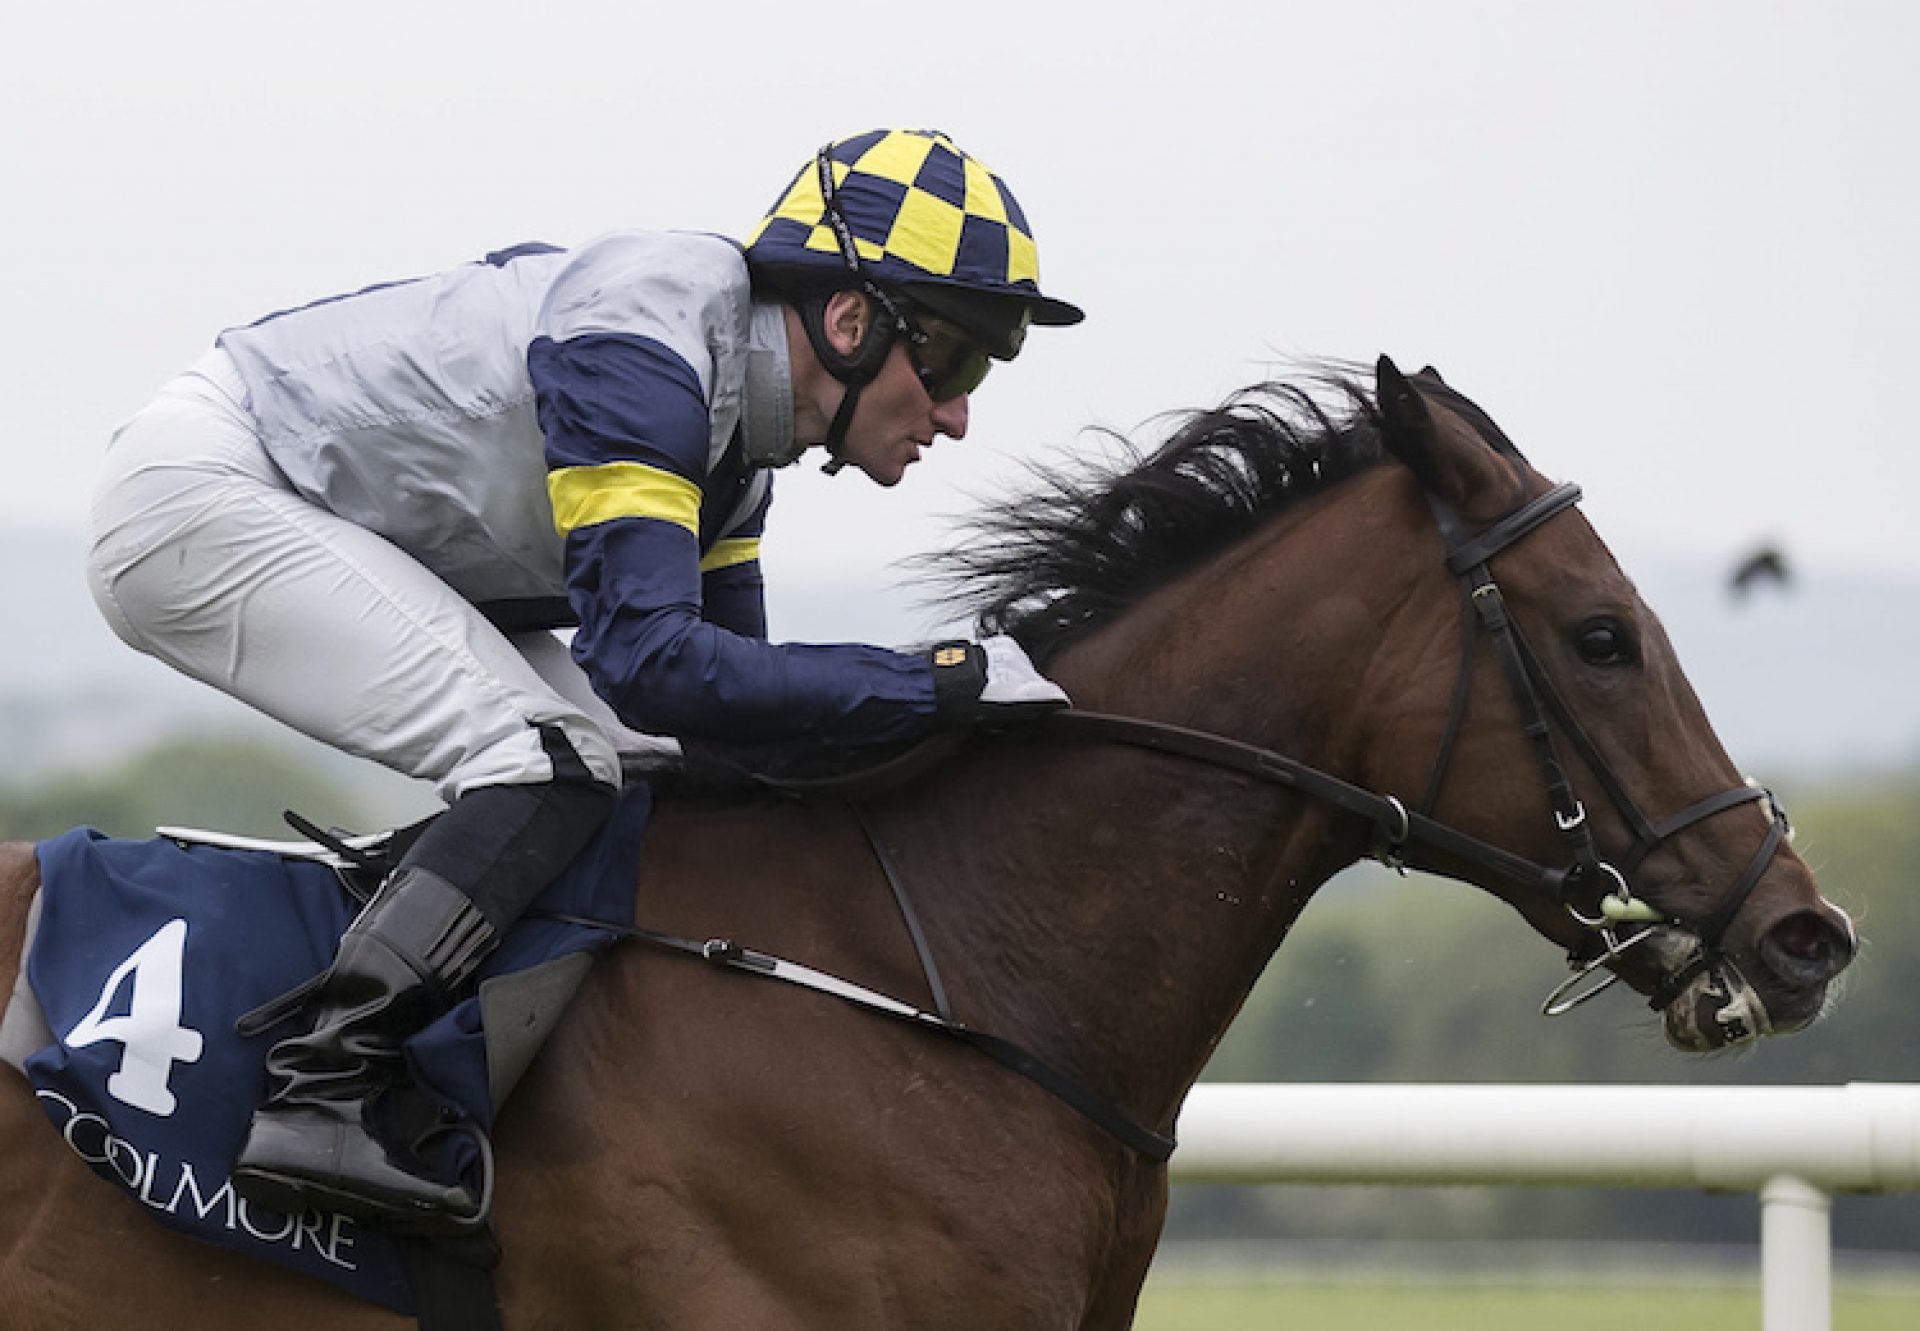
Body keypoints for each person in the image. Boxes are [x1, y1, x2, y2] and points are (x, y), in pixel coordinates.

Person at [85, 127, 1081, 1232]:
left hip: (297, 500)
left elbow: (719, 728)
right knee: (549, 758)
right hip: (200, 496)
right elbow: (652, 659)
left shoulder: (731, 464)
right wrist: (935, 681)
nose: (956, 414)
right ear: (851, 321)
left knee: (641, 766)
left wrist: (960, 728)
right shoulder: (648, 352)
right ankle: (325, 1083)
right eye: (953, 364)